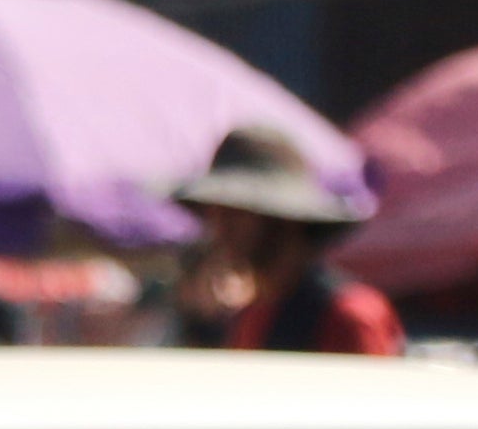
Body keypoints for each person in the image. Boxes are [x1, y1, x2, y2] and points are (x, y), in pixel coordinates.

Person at [166, 128, 402, 355]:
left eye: (235, 214)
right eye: (215, 214)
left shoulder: (349, 314)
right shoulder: (252, 316)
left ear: (283, 221)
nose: (220, 230)